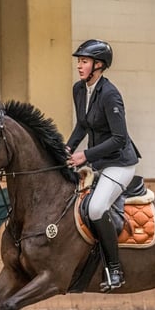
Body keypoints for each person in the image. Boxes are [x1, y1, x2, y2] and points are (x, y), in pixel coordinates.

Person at [65, 39, 141, 292]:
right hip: (97, 161)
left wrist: (84, 155)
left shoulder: (110, 94)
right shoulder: (79, 90)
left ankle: (115, 269)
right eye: (79, 61)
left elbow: (119, 138)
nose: (79, 66)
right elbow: (82, 126)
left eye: (84, 61)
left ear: (98, 65)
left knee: (97, 208)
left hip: (119, 163)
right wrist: (66, 149)